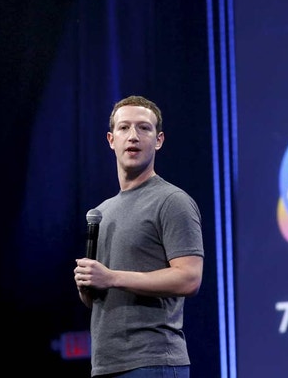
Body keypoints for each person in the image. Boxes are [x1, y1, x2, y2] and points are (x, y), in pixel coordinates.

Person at [73, 95, 204, 377]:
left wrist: (112, 277)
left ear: (158, 140)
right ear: (111, 140)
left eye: (144, 128)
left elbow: (190, 278)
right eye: (124, 128)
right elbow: (100, 298)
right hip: (106, 364)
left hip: (153, 361)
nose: (133, 136)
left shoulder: (172, 201)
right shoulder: (102, 212)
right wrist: (89, 285)